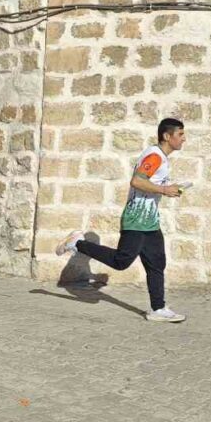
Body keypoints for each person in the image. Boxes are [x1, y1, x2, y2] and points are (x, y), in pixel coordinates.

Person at [56, 118, 188, 324]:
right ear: (167, 136)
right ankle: (77, 243)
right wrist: (164, 189)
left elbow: (148, 183)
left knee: (156, 264)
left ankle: (158, 308)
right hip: (136, 219)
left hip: (150, 221)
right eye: (180, 134)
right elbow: (137, 181)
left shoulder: (160, 157)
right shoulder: (154, 156)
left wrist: (170, 189)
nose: (184, 139)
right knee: (121, 261)